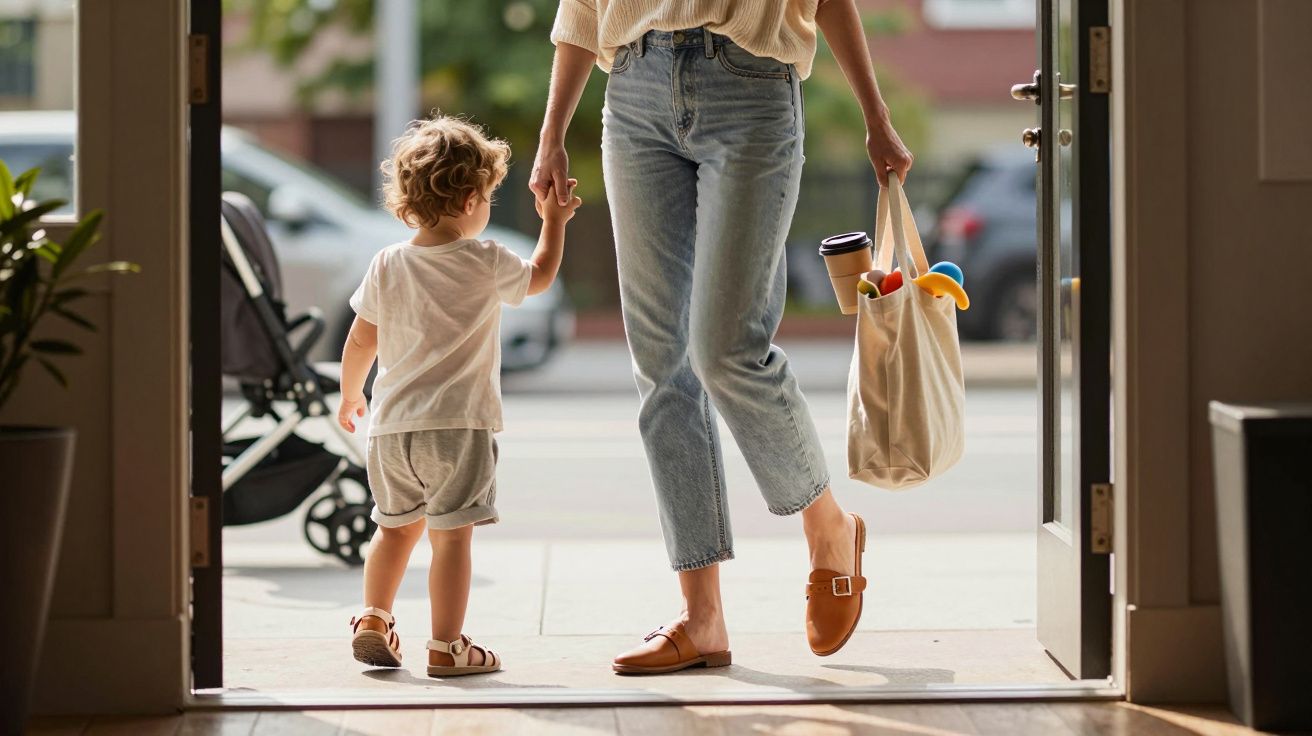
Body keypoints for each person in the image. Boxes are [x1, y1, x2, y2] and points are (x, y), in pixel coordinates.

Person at [532, 1, 913, 673]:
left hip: (751, 84)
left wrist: (876, 117)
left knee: (726, 350)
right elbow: (582, 12)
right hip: (632, 91)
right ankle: (700, 617)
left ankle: (828, 527)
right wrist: (551, 133)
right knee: (661, 365)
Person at [339, 116, 582, 677]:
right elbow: (541, 276)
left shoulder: (387, 263)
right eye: (490, 197)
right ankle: (447, 647)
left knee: (394, 530)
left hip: (391, 429)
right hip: (458, 429)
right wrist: (553, 221)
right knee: (450, 541)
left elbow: (360, 338)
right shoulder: (484, 259)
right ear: (471, 198)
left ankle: (374, 618)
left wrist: (352, 396)